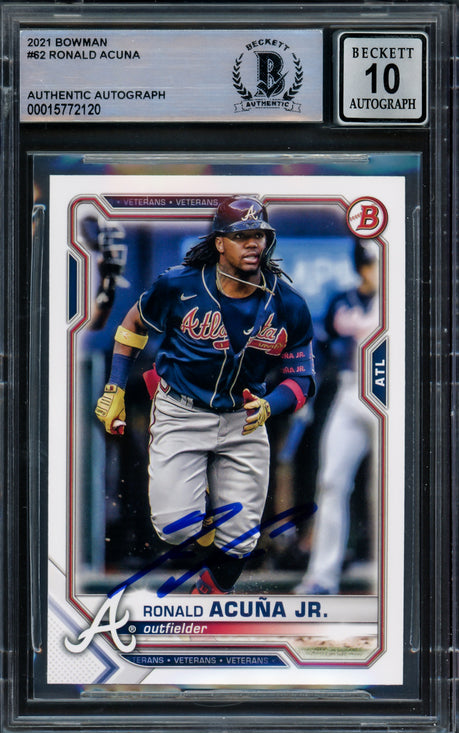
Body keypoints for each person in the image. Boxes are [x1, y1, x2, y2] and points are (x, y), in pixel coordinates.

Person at [95, 196, 315, 594]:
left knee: (241, 542)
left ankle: (207, 598)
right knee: (176, 528)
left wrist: (272, 404)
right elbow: (134, 323)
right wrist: (115, 387)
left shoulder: (289, 303)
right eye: (242, 236)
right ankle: (206, 509)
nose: (254, 243)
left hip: (245, 417)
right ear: (219, 243)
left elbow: (302, 379)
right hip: (182, 410)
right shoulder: (179, 284)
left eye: (260, 235)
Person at [294, 241, 379, 595]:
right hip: (350, 389)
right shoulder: (343, 300)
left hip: (389, 394)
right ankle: (322, 577)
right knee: (330, 481)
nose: (376, 270)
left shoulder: (401, 298)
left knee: (386, 488)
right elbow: (321, 349)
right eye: (371, 263)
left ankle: (391, 570)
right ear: (361, 266)